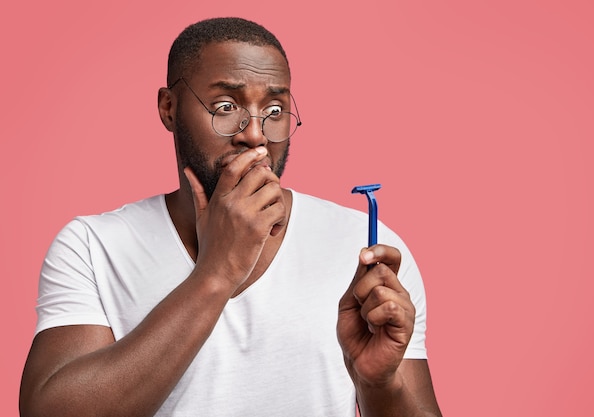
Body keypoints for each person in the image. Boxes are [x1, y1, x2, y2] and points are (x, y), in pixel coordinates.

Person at [19, 17, 442, 417]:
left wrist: (378, 385)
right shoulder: (94, 245)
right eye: (225, 106)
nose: (255, 134)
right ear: (169, 107)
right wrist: (217, 272)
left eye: (275, 111)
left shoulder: (365, 248)